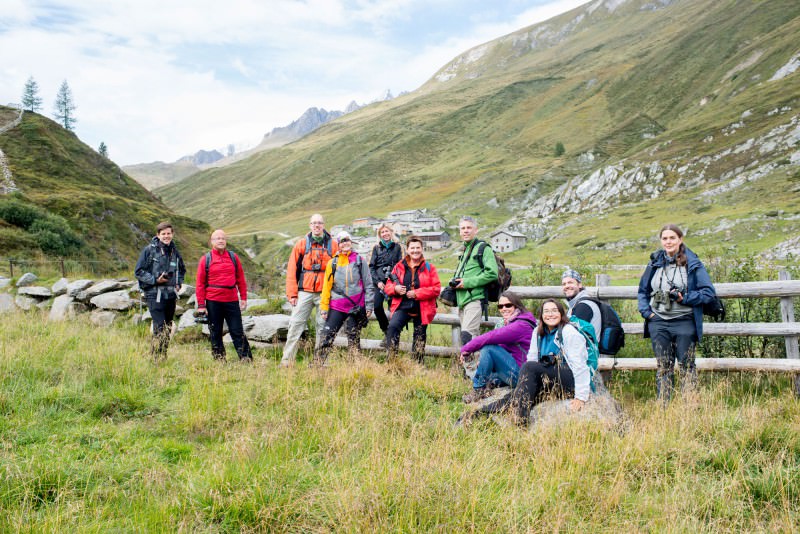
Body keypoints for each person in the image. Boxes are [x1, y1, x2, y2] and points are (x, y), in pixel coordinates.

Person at [637, 224, 715, 401]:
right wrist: (647, 313)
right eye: (665, 238)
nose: (668, 241)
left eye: (672, 238)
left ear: (680, 240)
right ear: (661, 241)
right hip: (658, 321)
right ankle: (663, 408)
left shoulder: (693, 263)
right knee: (663, 366)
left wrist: (684, 298)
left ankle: (689, 408)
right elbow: (642, 291)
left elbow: (708, 293)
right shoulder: (655, 262)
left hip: (684, 321)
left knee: (687, 366)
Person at [500, 299, 591, 424]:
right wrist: (526, 386)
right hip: (549, 379)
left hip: (569, 380)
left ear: (561, 313)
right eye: (546, 311)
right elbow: (532, 358)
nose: (550, 314)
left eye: (554, 311)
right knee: (515, 395)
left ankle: (521, 420)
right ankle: (479, 413)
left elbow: (580, 365)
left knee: (529, 367)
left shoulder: (568, 332)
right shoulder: (537, 332)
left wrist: (581, 397)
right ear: (542, 315)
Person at [281, 214, 339, 367]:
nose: (316, 226)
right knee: (295, 324)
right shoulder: (301, 244)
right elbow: (292, 269)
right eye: (314, 223)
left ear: (324, 225)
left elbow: (339, 269)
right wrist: (292, 294)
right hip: (304, 292)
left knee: (323, 327)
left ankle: (320, 362)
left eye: (319, 223)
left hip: (325, 293)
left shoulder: (333, 245)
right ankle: (287, 361)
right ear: (310, 225)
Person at [460, 291, 536, 403]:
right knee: (480, 373)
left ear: (516, 305)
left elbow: (491, 337)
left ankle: (478, 391)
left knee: (489, 348)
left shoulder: (520, 325)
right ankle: (489, 385)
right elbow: (503, 348)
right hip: (514, 369)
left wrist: (466, 349)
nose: (504, 308)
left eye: (508, 305)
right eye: (500, 306)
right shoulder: (512, 322)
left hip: (521, 375)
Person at [313, 231, 374, 365]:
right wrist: (324, 308)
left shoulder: (360, 260)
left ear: (351, 242)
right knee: (326, 337)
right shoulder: (332, 263)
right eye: (342, 241)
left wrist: (369, 305)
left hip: (356, 307)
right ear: (338, 245)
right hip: (337, 306)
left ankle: (355, 369)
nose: (345, 243)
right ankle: (316, 366)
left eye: (347, 240)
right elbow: (326, 287)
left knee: (353, 339)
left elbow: (369, 284)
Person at [451, 216, 498, 376]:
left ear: (476, 230)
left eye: (469, 228)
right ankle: (479, 375)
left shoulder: (483, 248)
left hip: (474, 299)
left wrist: (467, 282)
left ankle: (474, 377)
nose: (465, 231)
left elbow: (492, 273)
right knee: (473, 339)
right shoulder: (465, 250)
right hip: (463, 302)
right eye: (463, 228)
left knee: (467, 337)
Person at [195, 229, 252, 362]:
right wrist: (201, 306)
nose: (221, 240)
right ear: (212, 242)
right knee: (215, 331)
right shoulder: (206, 259)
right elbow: (200, 284)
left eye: (223, 238)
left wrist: (243, 297)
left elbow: (241, 279)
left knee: (237, 330)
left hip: (231, 300)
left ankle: (246, 358)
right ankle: (219, 359)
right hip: (213, 301)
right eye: (217, 238)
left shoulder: (233, 257)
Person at [384, 236, 442, 363]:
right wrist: (396, 289)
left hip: (423, 307)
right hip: (402, 306)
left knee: (420, 336)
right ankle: (392, 362)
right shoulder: (399, 266)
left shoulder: (429, 267)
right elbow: (387, 287)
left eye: (418, 248)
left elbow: (436, 289)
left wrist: (417, 293)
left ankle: (417, 365)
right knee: (392, 327)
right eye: (412, 248)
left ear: (422, 249)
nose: (415, 250)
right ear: (407, 249)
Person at [134, 221, 186, 361]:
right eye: (163, 234)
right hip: (153, 294)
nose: (166, 236)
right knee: (160, 325)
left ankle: (160, 355)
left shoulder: (175, 251)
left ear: (172, 234)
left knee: (168, 326)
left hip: (170, 295)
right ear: (158, 235)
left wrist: (178, 282)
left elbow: (181, 269)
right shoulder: (149, 250)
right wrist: (155, 280)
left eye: (169, 233)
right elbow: (138, 271)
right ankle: (157, 357)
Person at [368, 224, 403, 340]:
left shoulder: (397, 247)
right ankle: (386, 330)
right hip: (379, 283)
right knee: (377, 307)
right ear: (380, 235)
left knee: (394, 309)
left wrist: (393, 280)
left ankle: (394, 336)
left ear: (391, 232)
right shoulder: (376, 248)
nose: (385, 234)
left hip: (392, 283)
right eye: (382, 232)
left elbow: (400, 265)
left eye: (386, 231)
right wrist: (377, 282)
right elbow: (371, 267)